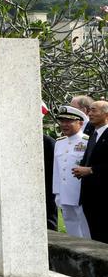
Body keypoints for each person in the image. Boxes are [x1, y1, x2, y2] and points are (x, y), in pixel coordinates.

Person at [52, 106, 90, 238]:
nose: (64, 125)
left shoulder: (87, 141)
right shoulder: (59, 143)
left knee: (86, 229)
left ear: (80, 123)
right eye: (62, 121)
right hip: (65, 193)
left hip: (81, 193)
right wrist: (57, 192)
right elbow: (57, 170)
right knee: (71, 228)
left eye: (69, 121)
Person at [74, 100, 108, 243]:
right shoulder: (93, 134)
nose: (89, 114)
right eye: (89, 110)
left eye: (94, 110)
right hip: (90, 196)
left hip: (104, 197)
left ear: (106, 114)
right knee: (96, 237)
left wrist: (91, 170)